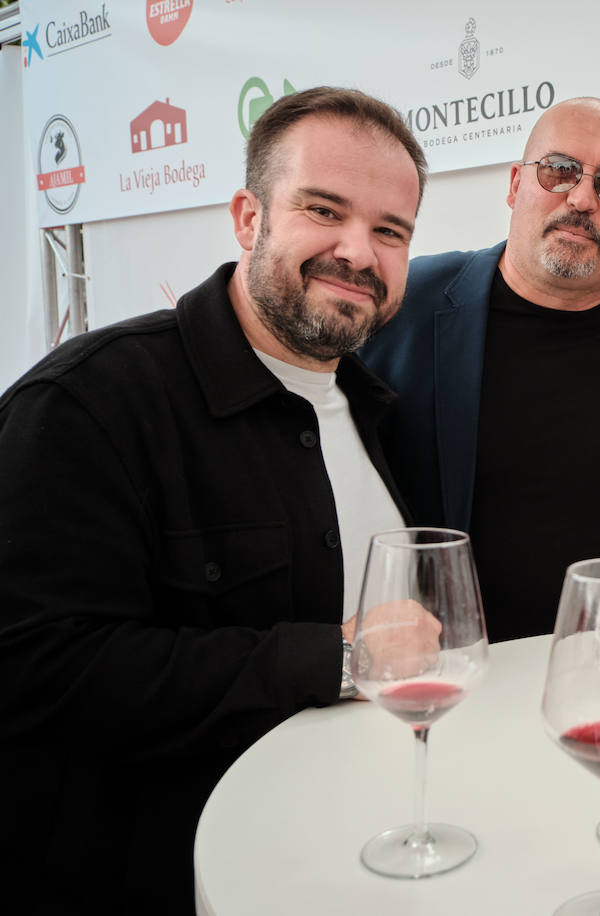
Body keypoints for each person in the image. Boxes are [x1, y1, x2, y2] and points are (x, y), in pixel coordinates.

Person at [0, 87, 432, 909]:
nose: (357, 251)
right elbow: (35, 667)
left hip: (342, 861)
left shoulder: (375, 410)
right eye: (323, 210)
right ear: (247, 217)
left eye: (390, 231)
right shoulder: (89, 404)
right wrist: (338, 657)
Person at [361, 97, 600, 643]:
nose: (583, 197)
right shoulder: (400, 307)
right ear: (516, 184)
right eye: (560, 170)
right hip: (442, 675)